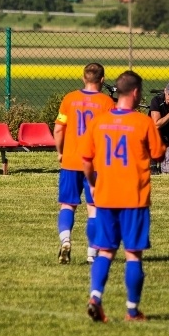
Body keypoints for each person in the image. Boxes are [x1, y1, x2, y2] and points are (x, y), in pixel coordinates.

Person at [80, 70, 165, 323]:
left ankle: (95, 297)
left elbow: (86, 160)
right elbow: (158, 154)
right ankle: (131, 311)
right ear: (137, 92)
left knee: (105, 251)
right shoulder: (143, 122)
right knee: (132, 254)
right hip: (134, 199)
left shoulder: (99, 121)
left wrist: (94, 183)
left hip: (105, 197)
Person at [53, 62, 116, 265]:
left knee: (68, 205)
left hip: (71, 160)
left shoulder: (70, 99)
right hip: (96, 164)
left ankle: (66, 240)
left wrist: (60, 152)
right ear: (103, 80)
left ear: (83, 78)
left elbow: (58, 129)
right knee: (94, 207)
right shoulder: (107, 103)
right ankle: (91, 254)